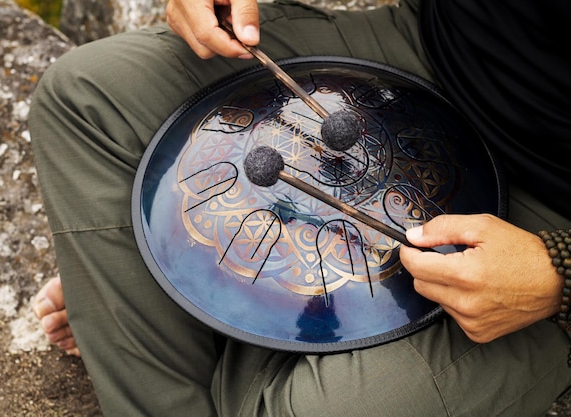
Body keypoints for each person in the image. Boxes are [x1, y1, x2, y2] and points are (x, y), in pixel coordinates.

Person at [29, 0, 571, 415]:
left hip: (547, 205)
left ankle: (155, 313)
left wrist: (559, 273)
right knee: (85, 96)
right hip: (428, 50)